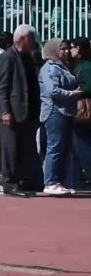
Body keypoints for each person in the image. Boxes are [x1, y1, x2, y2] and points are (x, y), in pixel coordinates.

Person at [0, 24, 42, 196]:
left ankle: (22, 180)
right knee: (10, 148)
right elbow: (2, 86)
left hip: (26, 111)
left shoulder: (27, 57)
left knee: (23, 148)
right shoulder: (8, 57)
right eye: (32, 39)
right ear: (24, 38)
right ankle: (9, 182)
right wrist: (5, 111)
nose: (34, 43)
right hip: (10, 112)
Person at [39, 38, 82, 196]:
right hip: (54, 111)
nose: (65, 51)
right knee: (55, 146)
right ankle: (50, 181)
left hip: (66, 111)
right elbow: (53, 91)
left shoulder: (64, 67)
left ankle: (61, 181)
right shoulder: (50, 68)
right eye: (62, 49)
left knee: (64, 147)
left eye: (66, 49)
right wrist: (73, 94)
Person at [68, 38, 91, 191]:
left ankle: (87, 174)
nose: (70, 51)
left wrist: (77, 90)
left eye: (72, 48)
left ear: (79, 48)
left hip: (83, 110)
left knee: (82, 144)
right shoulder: (78, 65)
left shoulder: (86, 66)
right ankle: (78, 177)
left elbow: (88, 86)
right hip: (78, 110)